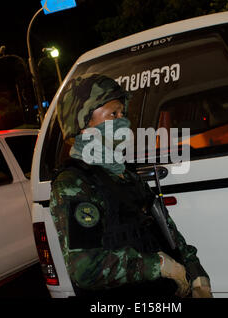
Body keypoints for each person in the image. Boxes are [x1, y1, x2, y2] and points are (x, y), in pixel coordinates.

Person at [50, 73, 212, 298]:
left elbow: (167, 230)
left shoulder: (126, 176)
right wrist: (158, 265)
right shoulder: (74, 184)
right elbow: (86, 269)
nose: (123, 121)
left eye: (122, 113)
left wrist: (195, 271)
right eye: (113, 114)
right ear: (83, 124)